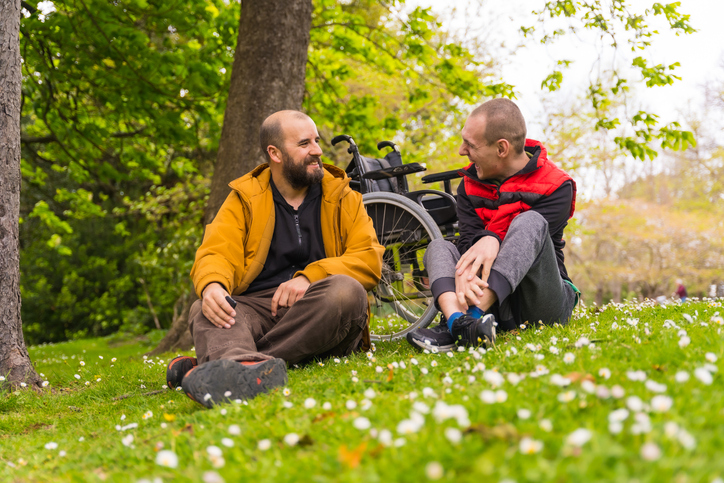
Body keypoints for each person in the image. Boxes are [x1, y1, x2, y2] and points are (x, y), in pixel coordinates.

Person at [166, 110, 383, 407]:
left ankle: (232, 362)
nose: (317, 150)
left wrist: (310, 277)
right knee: (207, 306)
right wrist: (214, 286)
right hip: (256, 308)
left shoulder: (344, 196)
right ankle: (240, 366)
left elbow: (368, 260)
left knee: (347, 291)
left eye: (316, 141)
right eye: (305, 143)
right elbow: (216, 250)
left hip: (317, 307)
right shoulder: (245, 196)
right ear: (275, 153)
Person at [406, 98, 578, 352]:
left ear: (501, 148)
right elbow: (467, 244)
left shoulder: (558, 186)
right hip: (496, 309)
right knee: (439, 247)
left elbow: (525, 242)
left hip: (541, 305)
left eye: (470, 145)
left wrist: (491, 239)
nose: (462, 151)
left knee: (529, 221)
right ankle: (458, 322)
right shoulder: (468, 184)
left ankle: (468, 320)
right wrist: (483, 241)